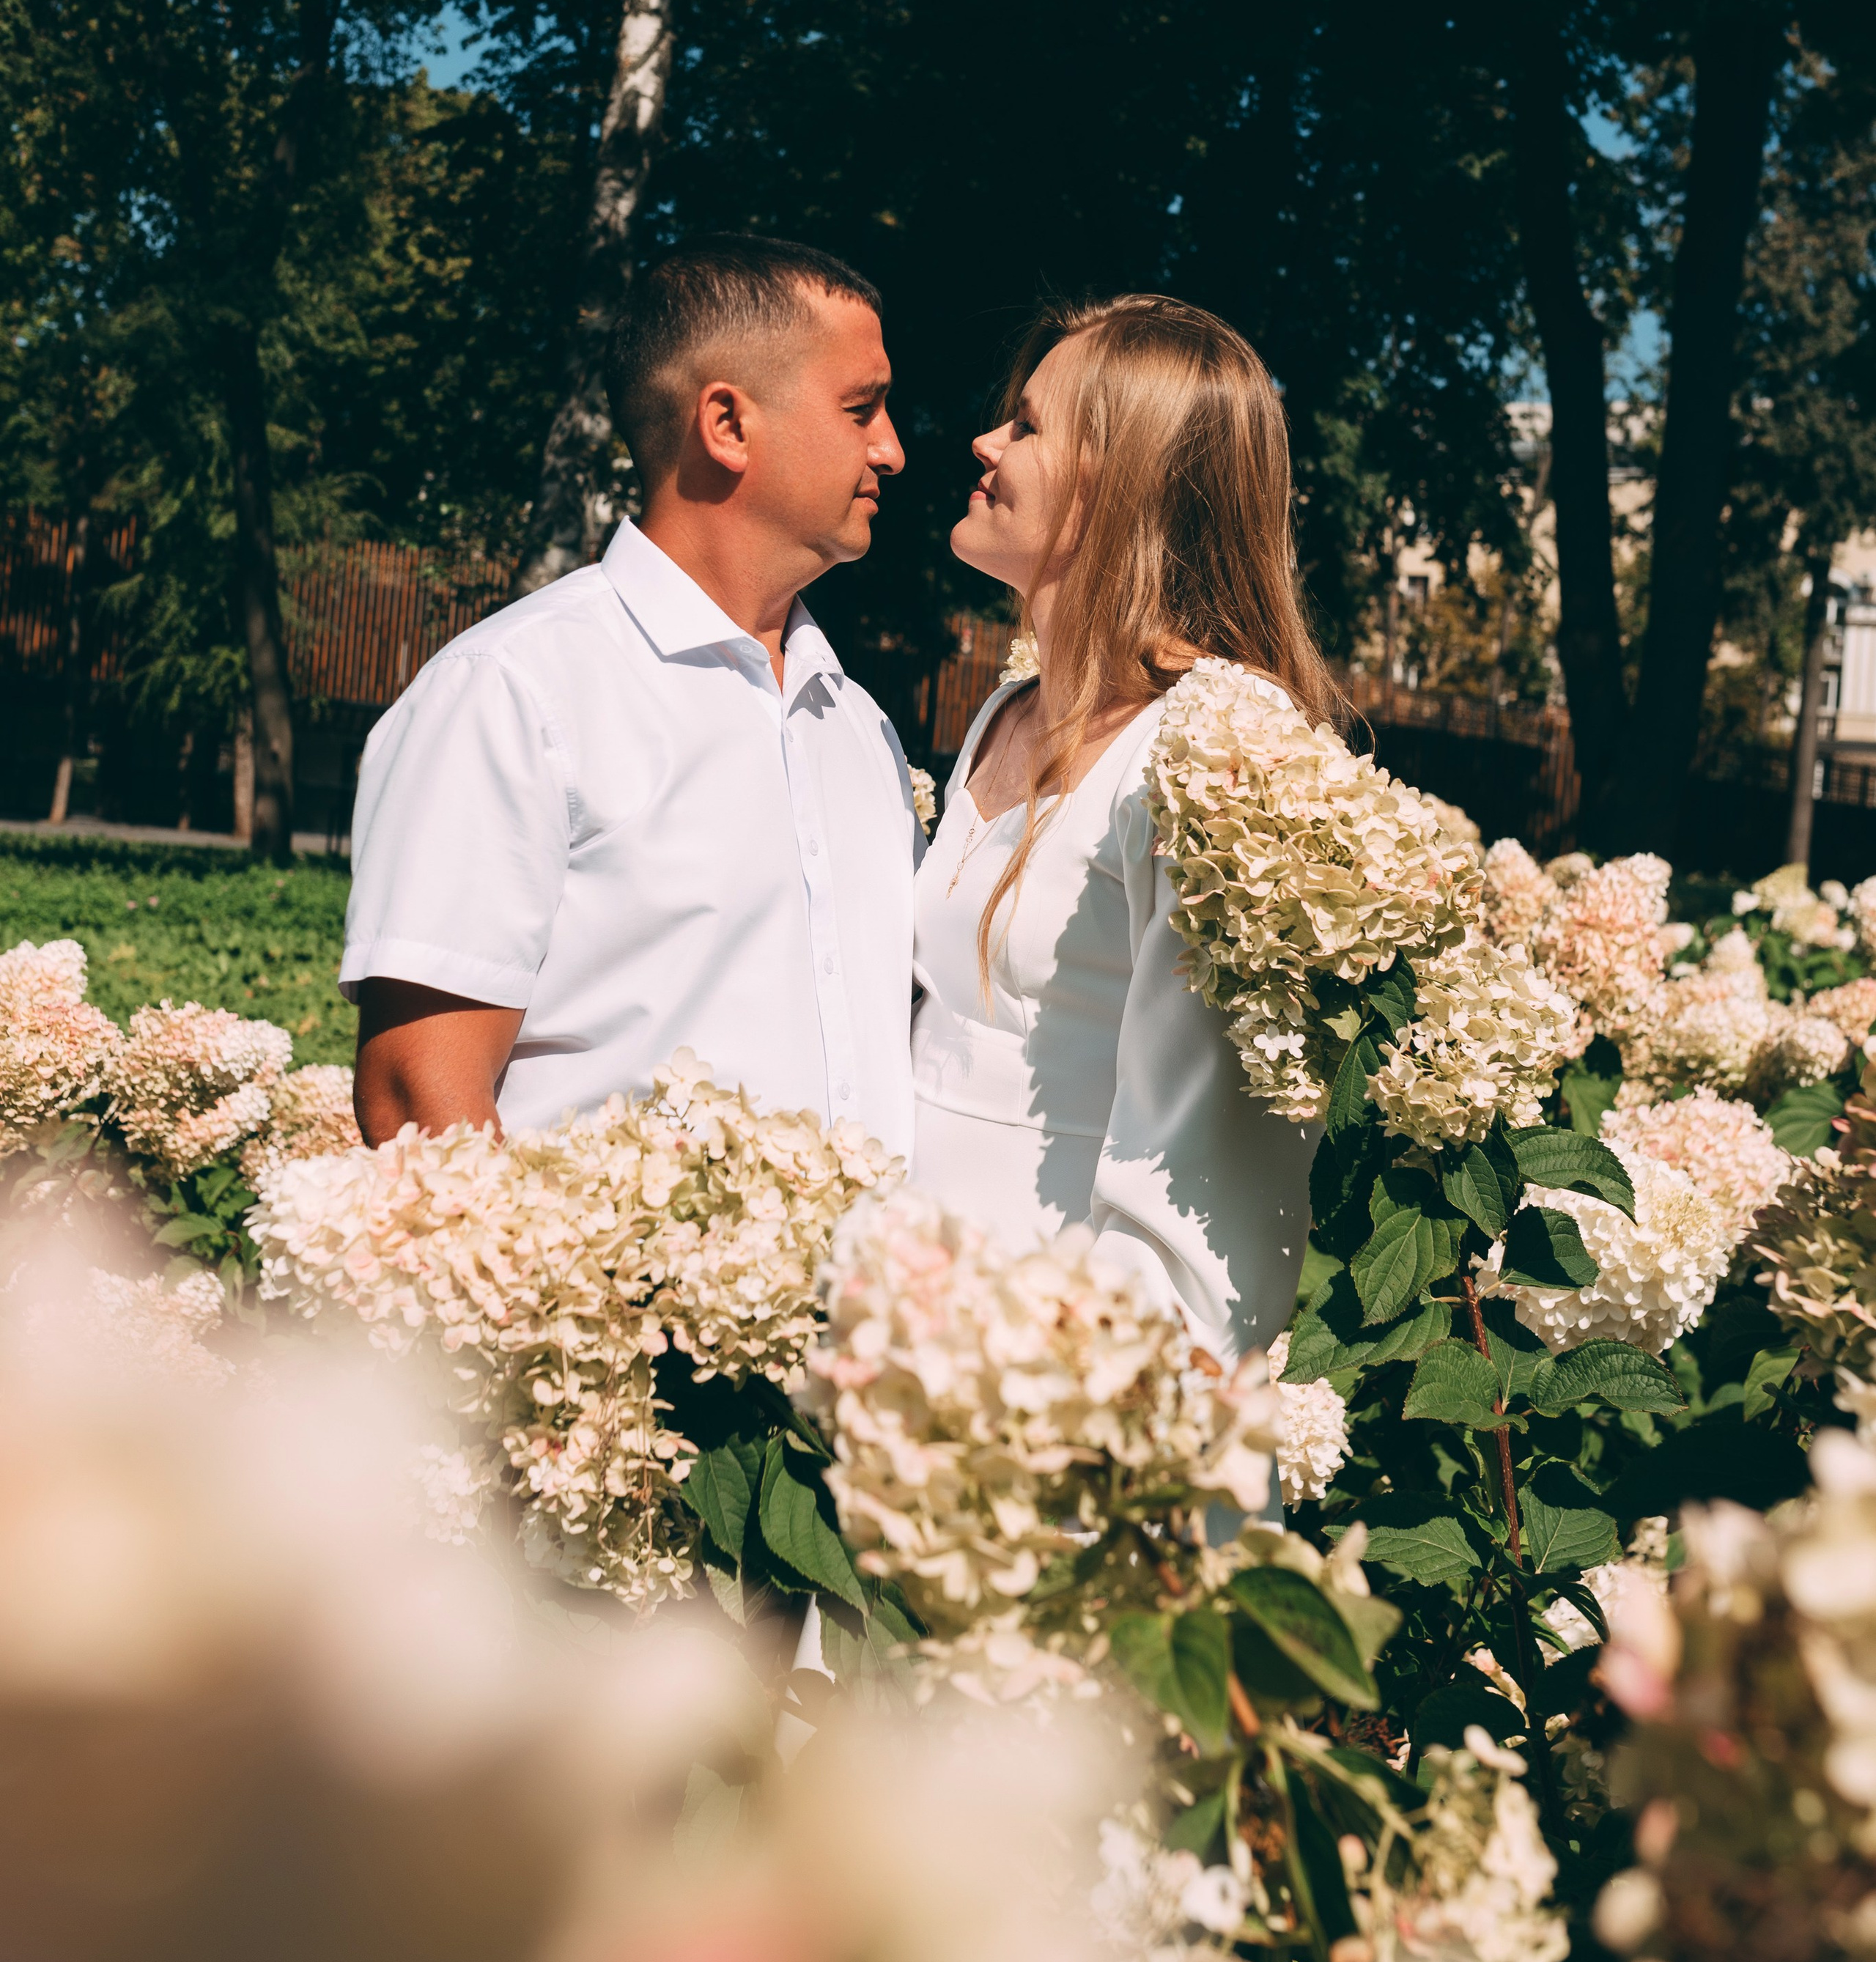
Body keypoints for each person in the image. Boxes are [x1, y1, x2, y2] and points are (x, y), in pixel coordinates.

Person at [343, 235, 923, 1154]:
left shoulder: (859, 725)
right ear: (727, 424)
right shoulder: (511, 694)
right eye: (862, 409)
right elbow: (417, 1098)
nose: (892, 449)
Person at [910, 292, 1333, 1360]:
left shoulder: (1212, 749)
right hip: (908, 1321)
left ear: (1122, 483)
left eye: (1028, 425)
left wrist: (1066, 1410)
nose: (984, 440)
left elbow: (1204, 1193)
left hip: (1054, 1377)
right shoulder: (1007, 710)